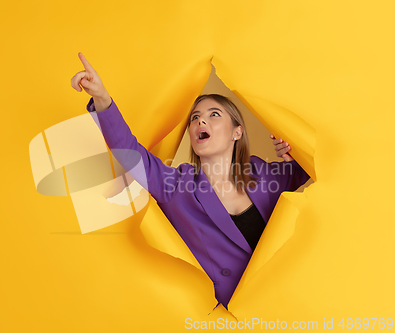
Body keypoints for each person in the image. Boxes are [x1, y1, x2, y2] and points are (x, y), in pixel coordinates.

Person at [71, 52, 310, 310]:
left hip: (285, 302)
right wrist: (102, 98)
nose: (200, 121)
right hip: (229, 317)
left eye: (214, 114)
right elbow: (129, 153)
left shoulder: (264, 174)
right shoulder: (176, 184)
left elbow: (316, 169)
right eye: (195, 118)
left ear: (237, 132)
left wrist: (290, 150)